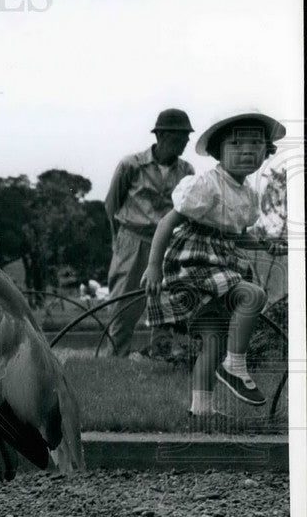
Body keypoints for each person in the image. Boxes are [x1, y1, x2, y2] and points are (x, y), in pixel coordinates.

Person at [141, 111, 286, 417]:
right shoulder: (206, 184)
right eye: (237, 144)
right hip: (195, 263)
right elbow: (167, 222)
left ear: (266, 152)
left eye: (256, 144)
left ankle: (201, 410)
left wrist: (265, 245)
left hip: (222, 264)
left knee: (215, 341)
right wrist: (153, 266)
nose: (247, 151)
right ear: (219, 151)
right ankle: (235, 366)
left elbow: (237, 236)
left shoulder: (247, 195)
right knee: (253, 295)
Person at [104, 108, 196, 358]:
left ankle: (161, 358)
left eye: (187, 135)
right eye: (181, 135)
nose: (186, 140)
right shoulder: (131, 165)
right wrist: (118, 241)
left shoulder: (187, 171)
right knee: (124, 302)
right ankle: (115, 359)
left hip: (167, 242)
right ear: (162, 135)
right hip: (132, 239)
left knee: (165, 301)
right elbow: (111, 204)